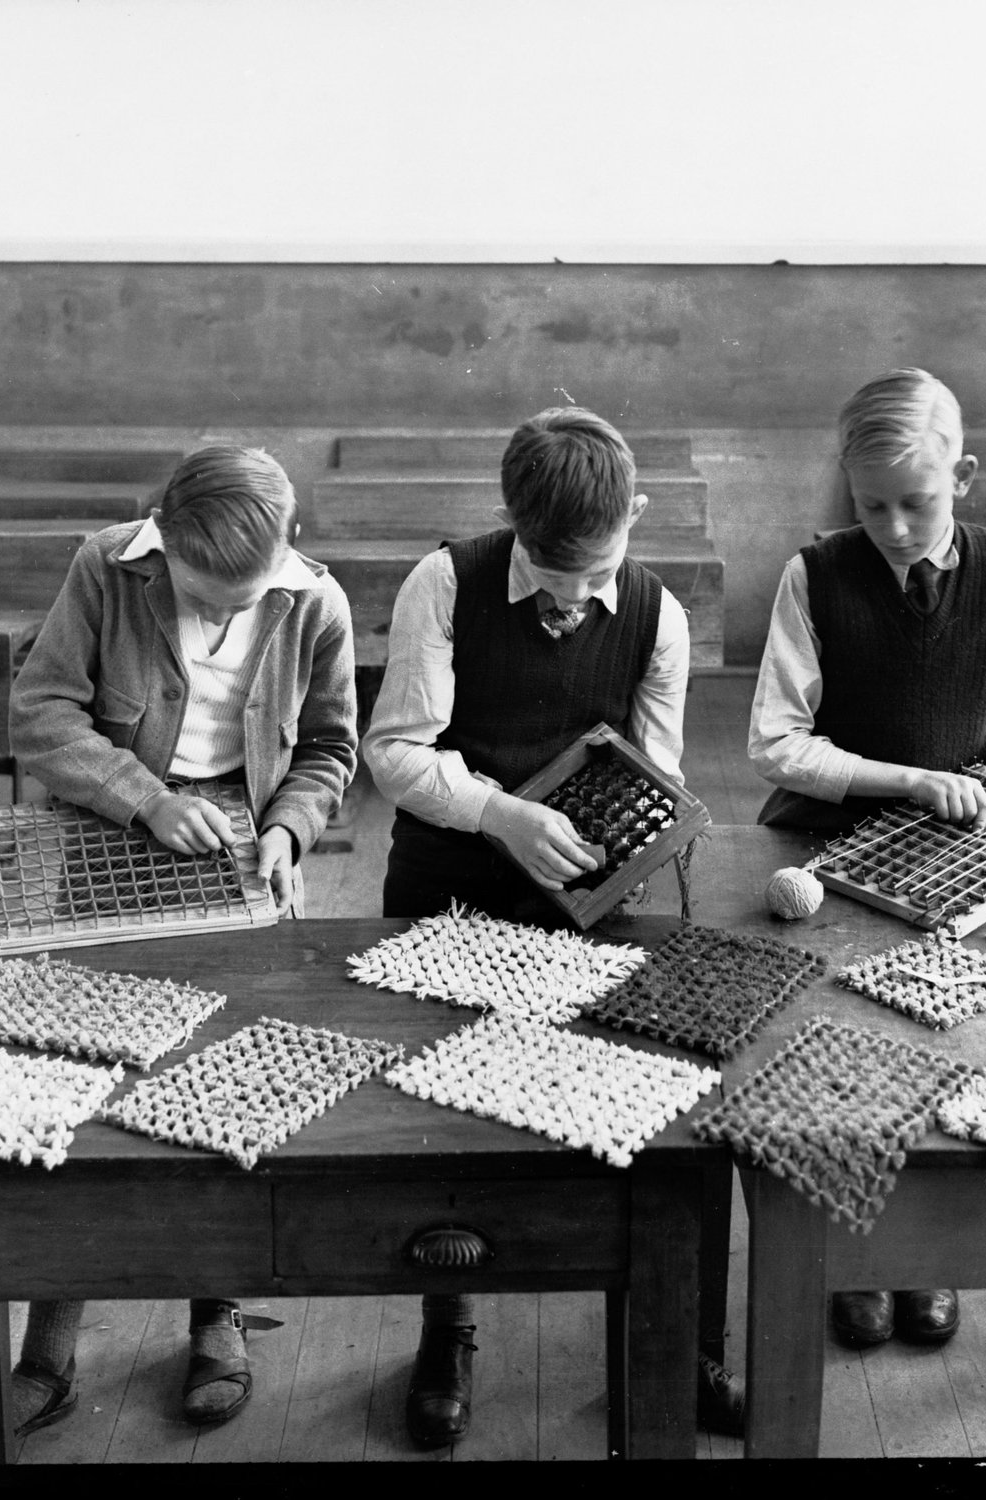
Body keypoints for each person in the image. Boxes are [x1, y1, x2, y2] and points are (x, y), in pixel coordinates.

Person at [0, 444, 357, 1462]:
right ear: (162, 548)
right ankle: (51, 1347)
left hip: (241, 855)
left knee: (222, 1089)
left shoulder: (313, 605)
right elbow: (39, 717)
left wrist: (289, 831)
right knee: (82, 1093)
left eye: (236, 602)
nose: (217, 618)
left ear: (286, 551)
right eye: (200, 597)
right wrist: (149, 802)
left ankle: (214, 1317)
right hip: (110, 835)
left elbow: (331, 749)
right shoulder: (104, 566)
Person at [363, 405, 742, 1445]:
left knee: (649, 1113)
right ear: (511, 521)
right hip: (451, 881)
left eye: (596, 570)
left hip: (590, 897)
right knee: (449, 1127)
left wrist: (633, 849)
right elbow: (393, 751)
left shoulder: (658, 614)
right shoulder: (443, 582)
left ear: (637, 515)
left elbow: (655, 775)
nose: (574, 601)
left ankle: (672, 1340)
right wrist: (499, 813)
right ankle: (449, 1331)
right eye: (551, 569)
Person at [747, 368, 986, 1352]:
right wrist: (906, 780)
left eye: (916, 502)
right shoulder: (815, 575)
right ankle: (851, 1247)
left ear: (961, 476)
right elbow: (775, 742)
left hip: (951, 847)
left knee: (946, 1043)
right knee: (838, 1043)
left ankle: (921, 1252)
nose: (892, 526)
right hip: (826, 837)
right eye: (870, 504)